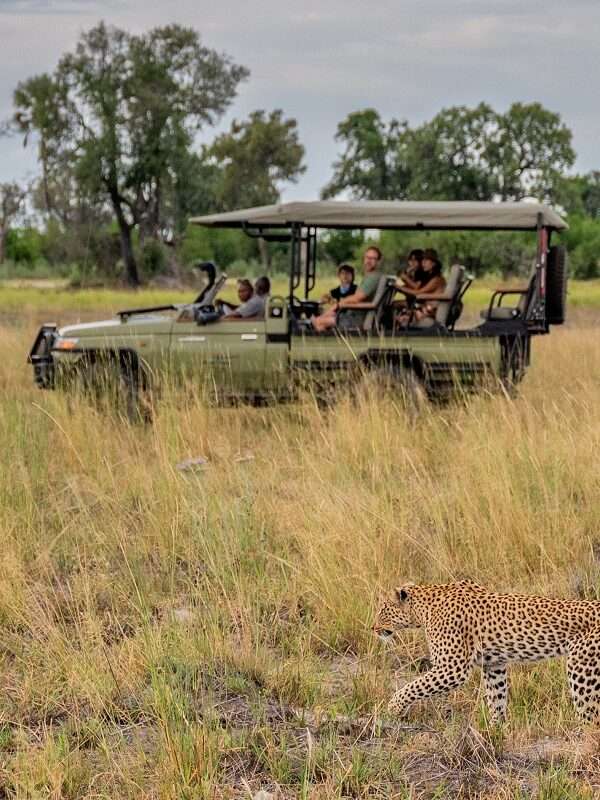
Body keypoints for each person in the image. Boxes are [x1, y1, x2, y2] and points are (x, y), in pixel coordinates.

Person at [311, 246, 383, 333]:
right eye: (367, 257)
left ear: (378, 262)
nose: (369, 261)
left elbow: (357, 298)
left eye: (373, 258)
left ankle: (329, 344)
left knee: (318, 322)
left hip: (355, 319)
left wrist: (339, 304)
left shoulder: (373, 278)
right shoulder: (371, 277)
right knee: (321, 317)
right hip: (352, 314)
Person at [395, 248, 446, 327]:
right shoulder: (430, 276)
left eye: (426, 261)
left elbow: (418, 292)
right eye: (422, 261)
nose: (423, 263)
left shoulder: (437, 279)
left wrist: (398, 287)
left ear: (433, 263)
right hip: (424, 306)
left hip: (430, 311)